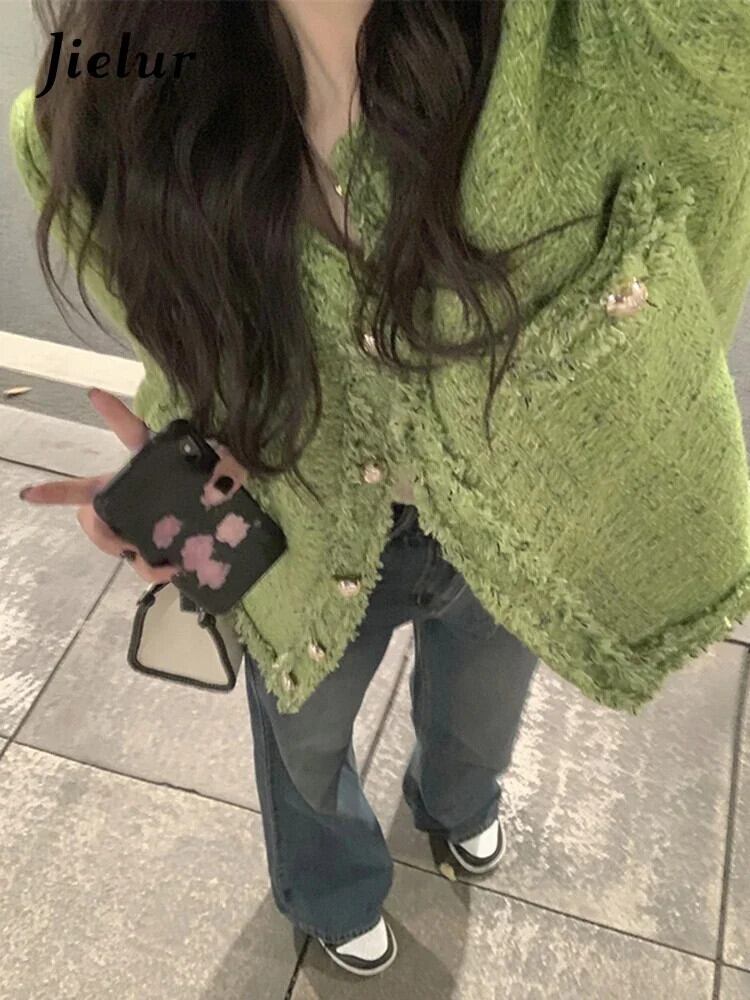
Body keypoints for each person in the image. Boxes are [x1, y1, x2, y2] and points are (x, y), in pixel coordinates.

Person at [11, 0, 750, 980]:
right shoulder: (106, 80)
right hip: (296, 522)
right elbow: (175, 346)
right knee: (304, 742)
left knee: (485, 712)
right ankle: (330, 892)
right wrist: (178, 457)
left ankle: (457, 805)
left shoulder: (629, 38)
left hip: (519, 521)